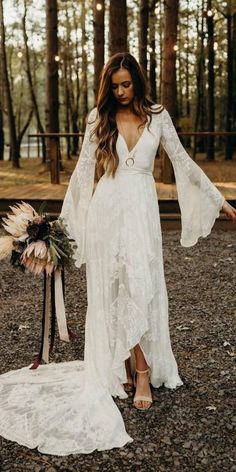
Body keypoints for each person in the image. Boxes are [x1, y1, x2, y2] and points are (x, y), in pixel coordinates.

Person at [0, 52, 235, 456]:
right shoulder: (99, 119)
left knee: (139, 285)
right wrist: (61, 227)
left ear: (138, 83)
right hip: (107, 212)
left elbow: (181, 160)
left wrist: (219, 200)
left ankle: (136, 365)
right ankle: (135, 370)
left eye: (127, 84)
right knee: (113, 288)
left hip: (141, 214)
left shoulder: (157, 115)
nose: (121, 91)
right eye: (115, 85)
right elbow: (81, 173)